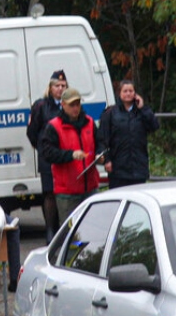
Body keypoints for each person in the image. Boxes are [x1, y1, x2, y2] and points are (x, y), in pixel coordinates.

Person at [40, 87, 100, 226]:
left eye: (78, 104)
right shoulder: (53, 126)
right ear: (63, 105)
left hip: (90, 187)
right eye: (72, 105)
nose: (75, 108)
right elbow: (48, 153)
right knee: (72, 232)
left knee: (93, 228)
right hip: (67, 191)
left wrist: (100, 155)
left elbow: (100, 142)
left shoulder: (89, 122)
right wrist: (70, 155)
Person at [26, 70, 68, 241]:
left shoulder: (70, 104)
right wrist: (43, 149)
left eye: (63, 86)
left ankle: (65, 232)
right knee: (49, 194)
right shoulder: (41, 106)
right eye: (56, 86)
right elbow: (32, 132)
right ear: (50, 88)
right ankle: (50, 230)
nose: (60, 89)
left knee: (65, 194)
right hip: (48, 157)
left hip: (65, 156)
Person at [98, 80, 160, 189]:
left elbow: (154, 126)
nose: (128, 94)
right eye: (125, 91)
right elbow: (102, 138)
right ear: (119, 93)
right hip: (118, 167)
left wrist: (143, 108)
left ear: (135, 93)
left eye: (131, 91)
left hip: (138, 167)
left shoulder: (141, 112)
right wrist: (107, 160)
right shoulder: (110, 113)